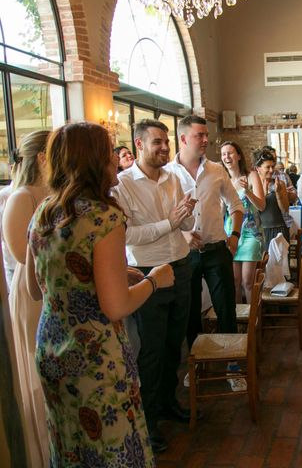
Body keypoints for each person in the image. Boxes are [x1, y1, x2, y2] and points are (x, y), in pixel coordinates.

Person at [26, 122, 175, 466]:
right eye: (109, 152)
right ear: (94, 160)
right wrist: (154, 280)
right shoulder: (103, 217)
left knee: (70, 447)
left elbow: (40, 286)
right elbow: (116, 306)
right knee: (112, 448)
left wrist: (114, 272)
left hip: (51, 349)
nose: (115, 160)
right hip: (94, 357)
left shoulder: (44, 212)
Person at [112, 119, 196, 454]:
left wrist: (187, 214)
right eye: (157, 142)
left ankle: (168, 403)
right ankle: (148, 422)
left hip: (181, 264)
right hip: (147, 272)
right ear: (139, 145)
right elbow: (127, 234)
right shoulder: (123, 185)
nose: (164, 148)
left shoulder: (172, 177)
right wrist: (169, 223)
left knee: (174, 345)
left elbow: (185, 225)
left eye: (166, 142)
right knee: (151, 350)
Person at [165, 115, 243, 350]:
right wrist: (183, 236)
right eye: (200, 135)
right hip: (183, 255)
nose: (206, 140)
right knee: (189, 313)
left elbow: (236, 206)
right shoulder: (167, 174)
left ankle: (232, 363)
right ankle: (196, 365)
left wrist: (235, 235)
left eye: (207, 135)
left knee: (226, 309)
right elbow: (162, 218)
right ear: (183, 138)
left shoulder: (216, 169)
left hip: (217, 250)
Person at [3, 130, 50, 466]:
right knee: (38, 373)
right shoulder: (22, 197)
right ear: (43, 159)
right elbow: (22, 255)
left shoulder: (53, 192)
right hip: (33, 290)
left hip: (53, 286)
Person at [220, 141, 266, 304]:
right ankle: (239, 322)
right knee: (235, 282)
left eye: (230, 153)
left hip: (251, 234)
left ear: (238, 156)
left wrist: (247, 191)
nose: (227, 157)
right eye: (224, 154)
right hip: (231, 234)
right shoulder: (222, 180)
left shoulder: (251, 175)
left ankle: (254, 321)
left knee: (248, 281)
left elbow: (261, 205)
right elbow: (221, 212)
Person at [254, 148, 289, 247]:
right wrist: (264, 191)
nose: (271, 170)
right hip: (260, 231)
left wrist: (278, 193)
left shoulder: (280, 184)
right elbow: (256, 210)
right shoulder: (253, 186)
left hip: (279, 230)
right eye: (267, 167)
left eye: (272, 167)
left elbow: (285, 209)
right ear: (258, 168)